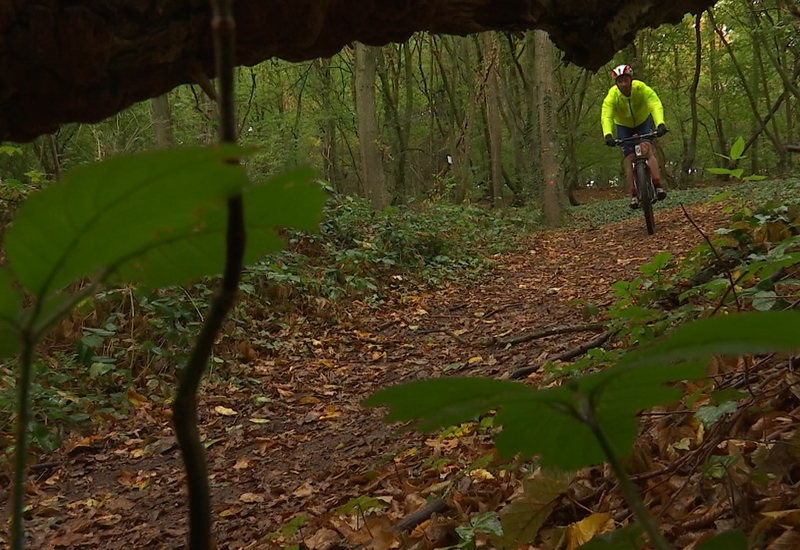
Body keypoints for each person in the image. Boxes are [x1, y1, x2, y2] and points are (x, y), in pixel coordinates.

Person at [601, 64, 668, 209]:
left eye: (626, 80)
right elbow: (606, 115)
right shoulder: (612, 96)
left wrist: (660, 123)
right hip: (623, 126)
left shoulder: (641, 88)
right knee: (629, 158)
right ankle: (633, 195)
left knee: (647, 150)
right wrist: (608, 134)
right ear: (616, 83)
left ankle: (657, 186)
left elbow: (654, 104)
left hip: (643, 122)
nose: (623, 84)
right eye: (620, 81)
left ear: (631, 79)